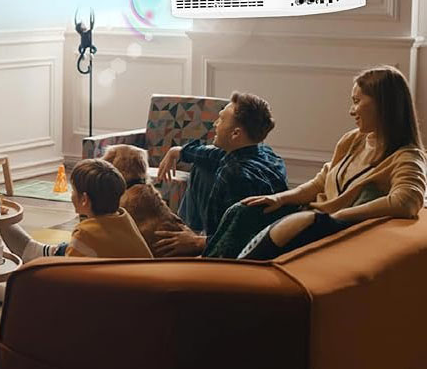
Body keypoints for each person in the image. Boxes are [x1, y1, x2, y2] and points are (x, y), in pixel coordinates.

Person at [207, 65, 427, 260]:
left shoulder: (407, 157)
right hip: (309, 213)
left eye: (357, 102)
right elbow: (320, 182)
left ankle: (216, 273)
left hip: (322, 225)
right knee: (243, 211)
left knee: (246, 233)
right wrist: (280, 198)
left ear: (383, 105)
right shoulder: (353, 139)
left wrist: (336, 216)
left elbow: (406, 202)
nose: (352, 111)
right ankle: (206, 266)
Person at [154, 91, 289, 256]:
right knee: (202, 163)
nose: (215, 124)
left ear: (235, 133)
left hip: (238, 252)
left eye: (221, 119)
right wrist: (179, 151)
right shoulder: (265, 152)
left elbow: (237, 240)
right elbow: (211, 154)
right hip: (252, 231)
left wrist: (198, 242)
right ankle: (186, 230)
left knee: (203, 165)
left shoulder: (234, 176)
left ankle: (185, 241)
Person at [0, 158, 152, 262]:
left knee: (30, 253)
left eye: (73, 191)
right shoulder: (123, 219)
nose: (71, 195)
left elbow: (67, 275)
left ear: (84, 199)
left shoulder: (86, 234)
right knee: (53, 248)